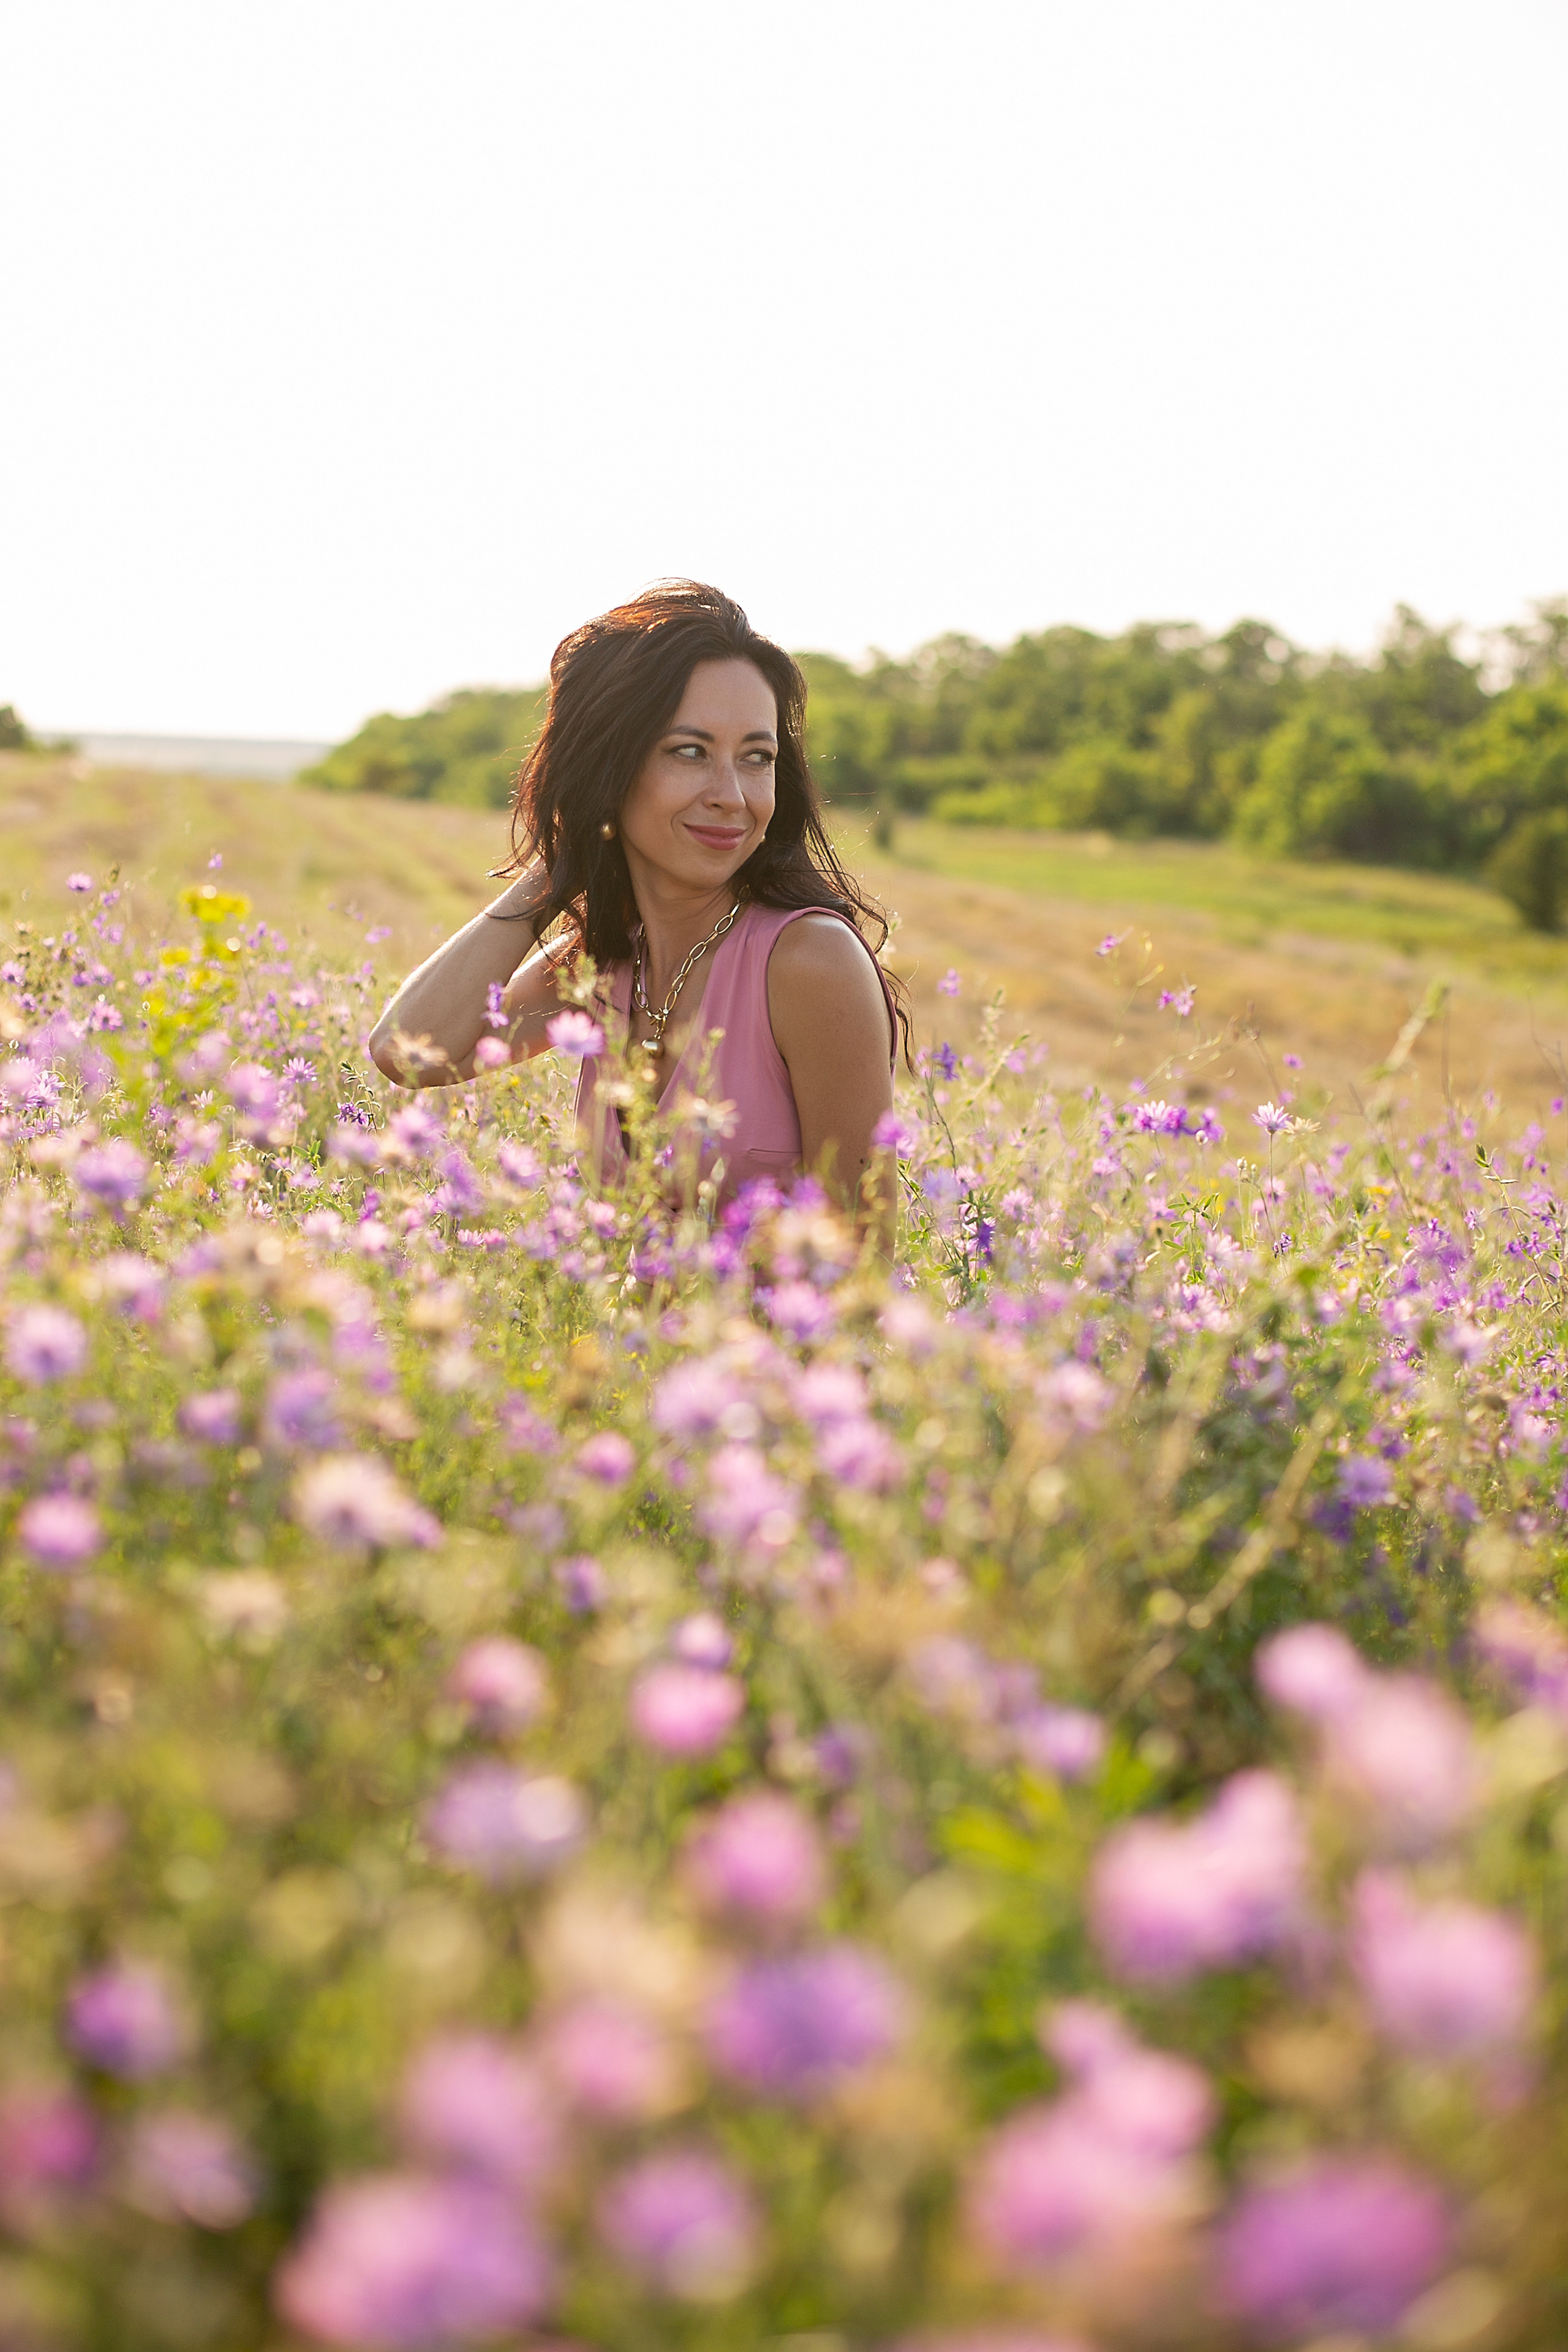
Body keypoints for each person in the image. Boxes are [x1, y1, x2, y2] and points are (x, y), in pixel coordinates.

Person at [369, 581, 906, 1231]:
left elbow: (858, 1263)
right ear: (607, 765)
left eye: (756, 758)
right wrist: (560, 868)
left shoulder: (810, 960)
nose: (732, 795)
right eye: (689, 752)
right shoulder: (610, 956)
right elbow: (410, 1053)